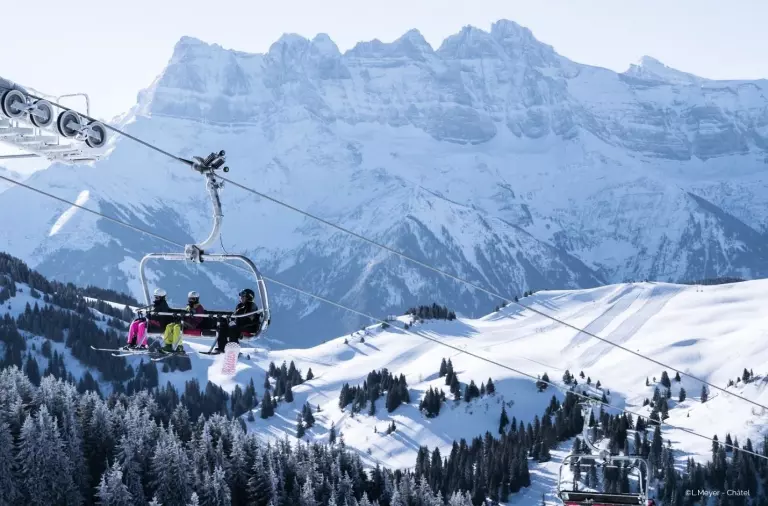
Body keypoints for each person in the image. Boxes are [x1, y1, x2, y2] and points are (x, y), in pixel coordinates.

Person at [213, 288, 261, 354]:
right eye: (241, 296)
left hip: (250, 326)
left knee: (233, 329)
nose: (241, 298)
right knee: (223, 326)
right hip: (240, 324)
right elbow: (235, 315)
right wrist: (231, 321)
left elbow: (249, 318)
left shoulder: (252, 306)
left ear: (248, 297)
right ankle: (222, 347)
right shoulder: (240, 305)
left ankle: (233, 349)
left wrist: (236, 323)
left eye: (243, 296)